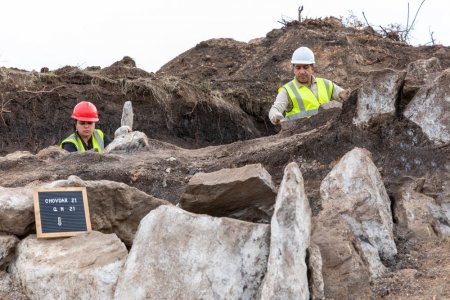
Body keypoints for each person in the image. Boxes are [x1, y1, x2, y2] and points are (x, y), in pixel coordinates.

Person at [269, 46, 347, 125]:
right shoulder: (287, 90)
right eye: (298, 68)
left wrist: (346, 95)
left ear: (313, 67)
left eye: (306, 67)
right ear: (293, 69)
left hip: (326, 132)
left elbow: (346, 97)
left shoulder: (326, 84)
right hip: (298, 134)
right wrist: (275, 116)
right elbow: (275, 109)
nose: (302, 71)